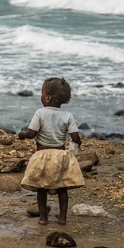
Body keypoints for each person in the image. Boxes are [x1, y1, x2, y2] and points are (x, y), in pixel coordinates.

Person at [18, 77, 85, 226]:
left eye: (42, 93)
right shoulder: (67, 115)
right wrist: (77, 144)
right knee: (62, 188)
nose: (41, 97)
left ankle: (43, 218)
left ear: (47, 97)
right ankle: (62, 218)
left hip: (42, 155)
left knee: (41, 188)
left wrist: (22, 134)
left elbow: (31, 134)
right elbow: (75, 137)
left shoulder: (40, 113)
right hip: (60, 156)